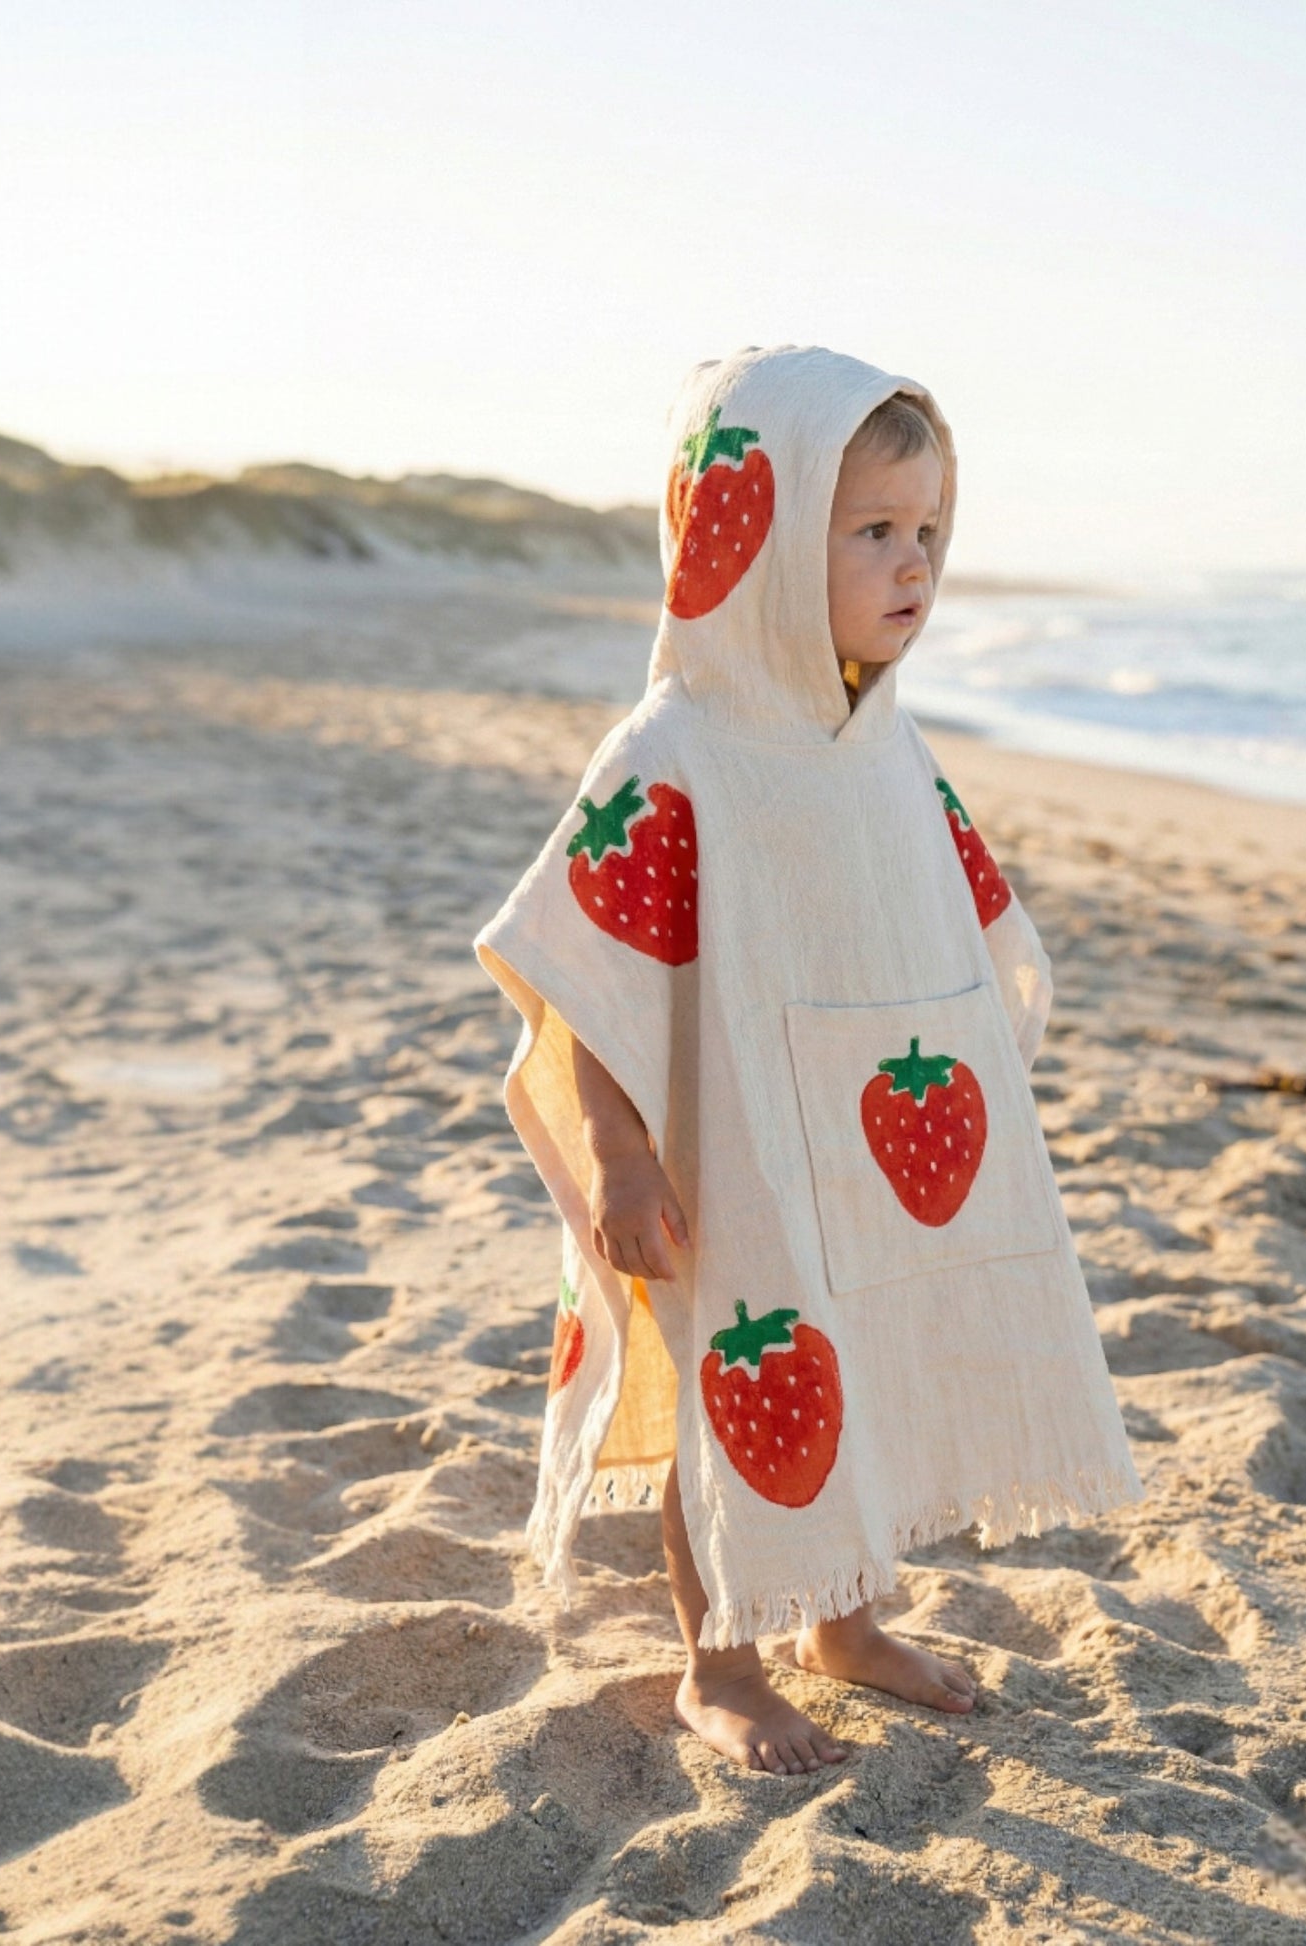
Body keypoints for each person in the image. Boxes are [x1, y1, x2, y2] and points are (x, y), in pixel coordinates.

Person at [474, 344, 1140, 1776]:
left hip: (856, 1133)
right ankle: (715, 1665)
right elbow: (594, 970)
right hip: (724, 1142)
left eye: (929, 532)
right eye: (871, 531)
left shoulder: (884, 742)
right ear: (763, 542)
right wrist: (619, 1151)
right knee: (737, 1367)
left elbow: (948, 920)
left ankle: (841, 1624)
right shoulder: (677, 748)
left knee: (858, 1366)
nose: (914, 566)